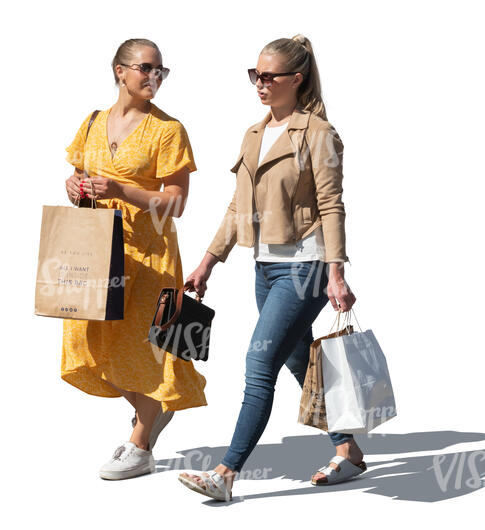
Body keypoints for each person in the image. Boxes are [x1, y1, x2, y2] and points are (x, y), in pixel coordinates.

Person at [178, 34, 365, 502]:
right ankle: (347, 448)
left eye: (269, 76)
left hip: (306, 268)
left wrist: (337, 272)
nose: (259, 84)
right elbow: (236, 207)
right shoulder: (255, 134)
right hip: (263, 267)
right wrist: (207, 262)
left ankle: (225, 473)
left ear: (296, 79)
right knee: (299, 361)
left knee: (260, 362)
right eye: (254, 75)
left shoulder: (319, 134)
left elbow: (332, 205)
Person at [62, 38, 207, 480]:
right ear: (119, 71)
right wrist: (73, 185)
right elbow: (78, 172)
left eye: (161, 69)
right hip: (100, 248)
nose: (154, 77)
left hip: (152, 253)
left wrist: (123, 191)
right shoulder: (91, 122)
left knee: (154, 346)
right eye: (145, 67)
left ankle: (139, 444)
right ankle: (155, 410)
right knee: (89, 345)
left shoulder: (169, 129)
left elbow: (176, 203)